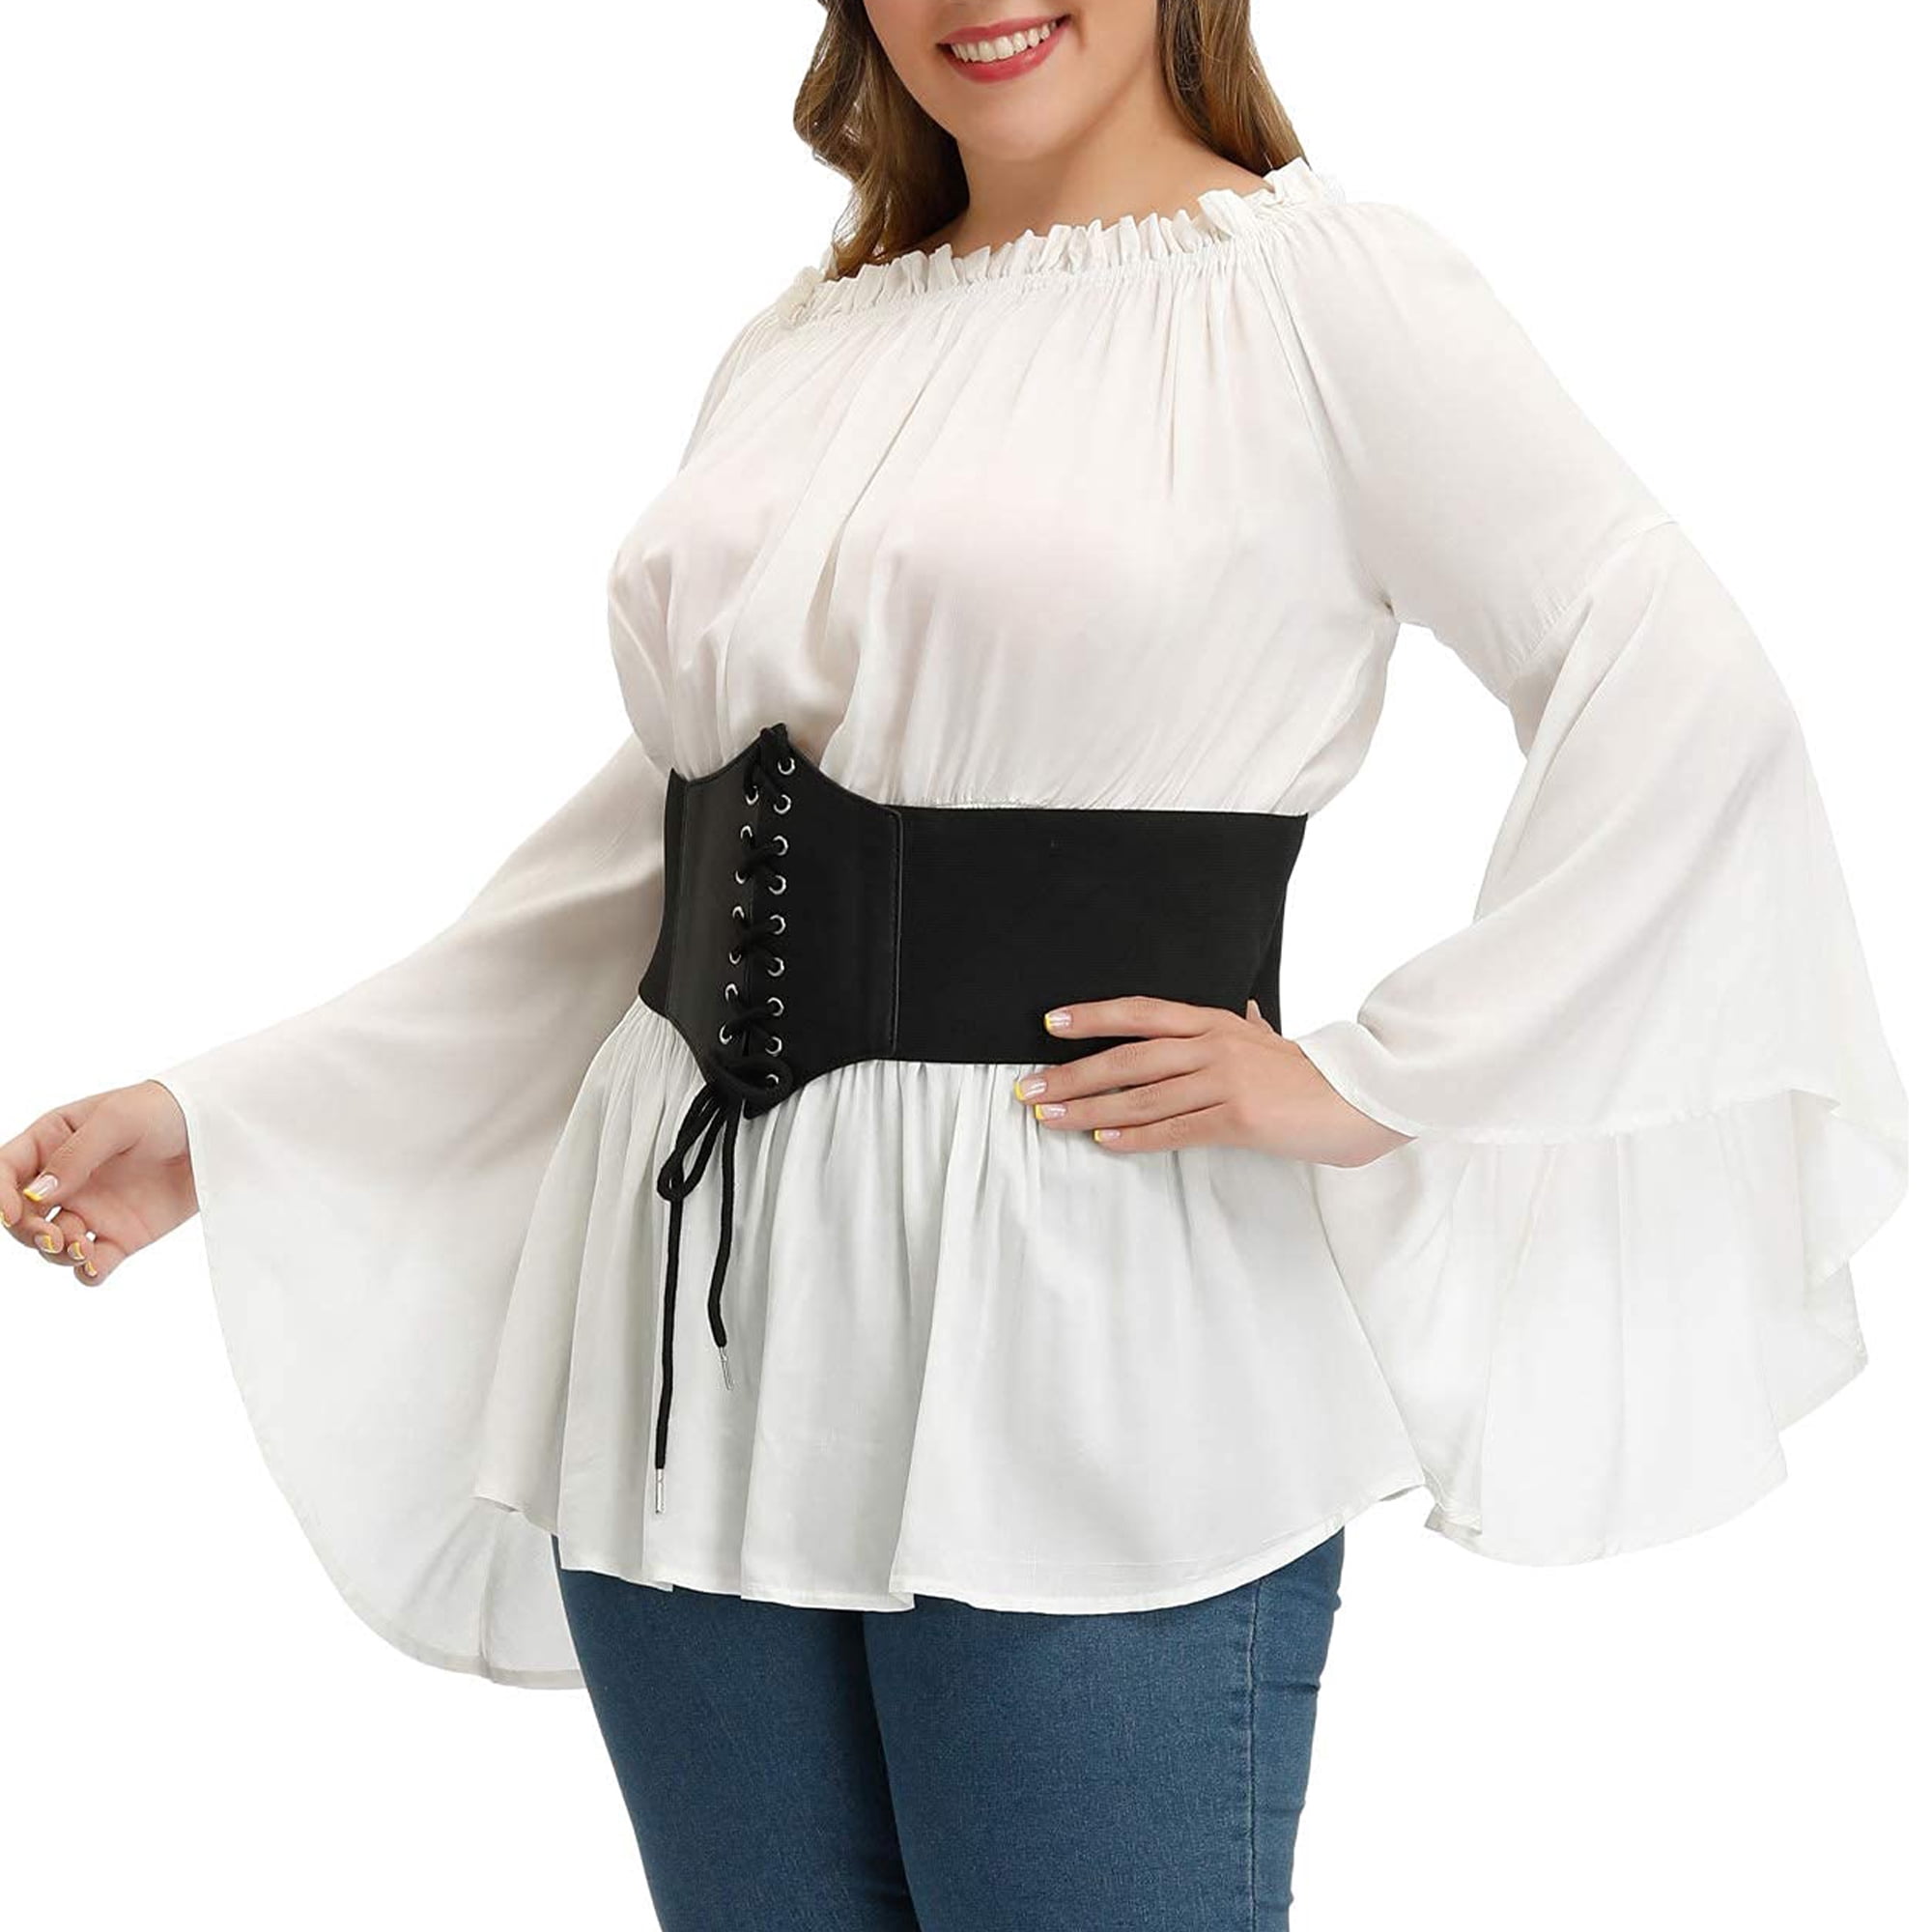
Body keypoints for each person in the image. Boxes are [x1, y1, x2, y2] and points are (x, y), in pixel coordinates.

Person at [2, 3, 1909, 1926]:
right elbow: (664, 847)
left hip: (1079, 1310)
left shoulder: (1322, 296)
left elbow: (1676, 681)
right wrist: (231, 1118)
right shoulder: (807, 342)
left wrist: (1378, 1076)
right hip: (690, 1348)